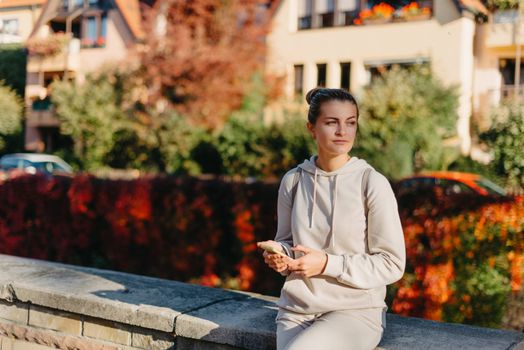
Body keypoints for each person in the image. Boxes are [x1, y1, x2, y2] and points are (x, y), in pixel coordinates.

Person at [258, 88, 406, 350]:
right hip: (297, 311)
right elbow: (288, 242)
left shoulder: (371, 183)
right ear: (312, 129)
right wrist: (280, 256)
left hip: (355, 311)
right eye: (331, 122)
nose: (343, 132)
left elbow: (392, 264)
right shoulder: (293, 181)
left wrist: (327, 264)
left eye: (350, 123)